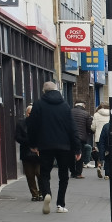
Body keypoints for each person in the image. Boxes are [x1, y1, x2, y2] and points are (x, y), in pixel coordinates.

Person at [27, 80, 80, 214]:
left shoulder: (38, 105)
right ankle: (60, 204)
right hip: (64, 146)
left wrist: (33, 145)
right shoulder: (65, 106)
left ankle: (46, 194)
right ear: (57, 90)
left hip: (45, 145)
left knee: (44, 173)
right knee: (64, 175)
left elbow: (32, 127)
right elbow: (72, 129)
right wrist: (77, 149)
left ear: (44, 91)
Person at [14, 104, 41, 201]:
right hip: (26, 153)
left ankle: (42, 192)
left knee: (40, 173)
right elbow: (17, 137)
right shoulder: (21, 123)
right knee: (30, 175)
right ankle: (35, 194)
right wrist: (29, 142)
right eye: (29, 113)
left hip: (39, 153)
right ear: (26, 113)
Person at [71, 101, 93, 178]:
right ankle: (78, 173)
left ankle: (72, 172)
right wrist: (90, 132)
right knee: (80, 154)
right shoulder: (86, 114)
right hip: (81, 138)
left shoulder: (69, 112)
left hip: (70, 137)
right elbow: (89, 127)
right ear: (83, 105)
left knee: (71, 154)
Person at [91, 103, 110, 178]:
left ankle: (99, 165)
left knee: (101, 152)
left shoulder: (96, 114)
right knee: (107, 153)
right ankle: (107, 171)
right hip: (108, 135)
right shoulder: (110, 114)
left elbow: (93, 127)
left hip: (99, 136)